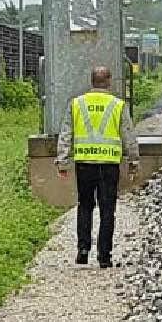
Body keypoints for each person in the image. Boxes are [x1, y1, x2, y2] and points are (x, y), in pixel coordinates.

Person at [55, 65, 138, 268]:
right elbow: (128, 134)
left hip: (84, 164)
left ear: (92, 81)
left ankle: (83, 250)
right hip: (109, 165)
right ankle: (104, 256)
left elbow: (66, 133)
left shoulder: (77, 103)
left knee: (85, 206)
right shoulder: (118, 105)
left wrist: (63, 161)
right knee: (107, 209)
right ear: (108, 81)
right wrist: (134, 161)